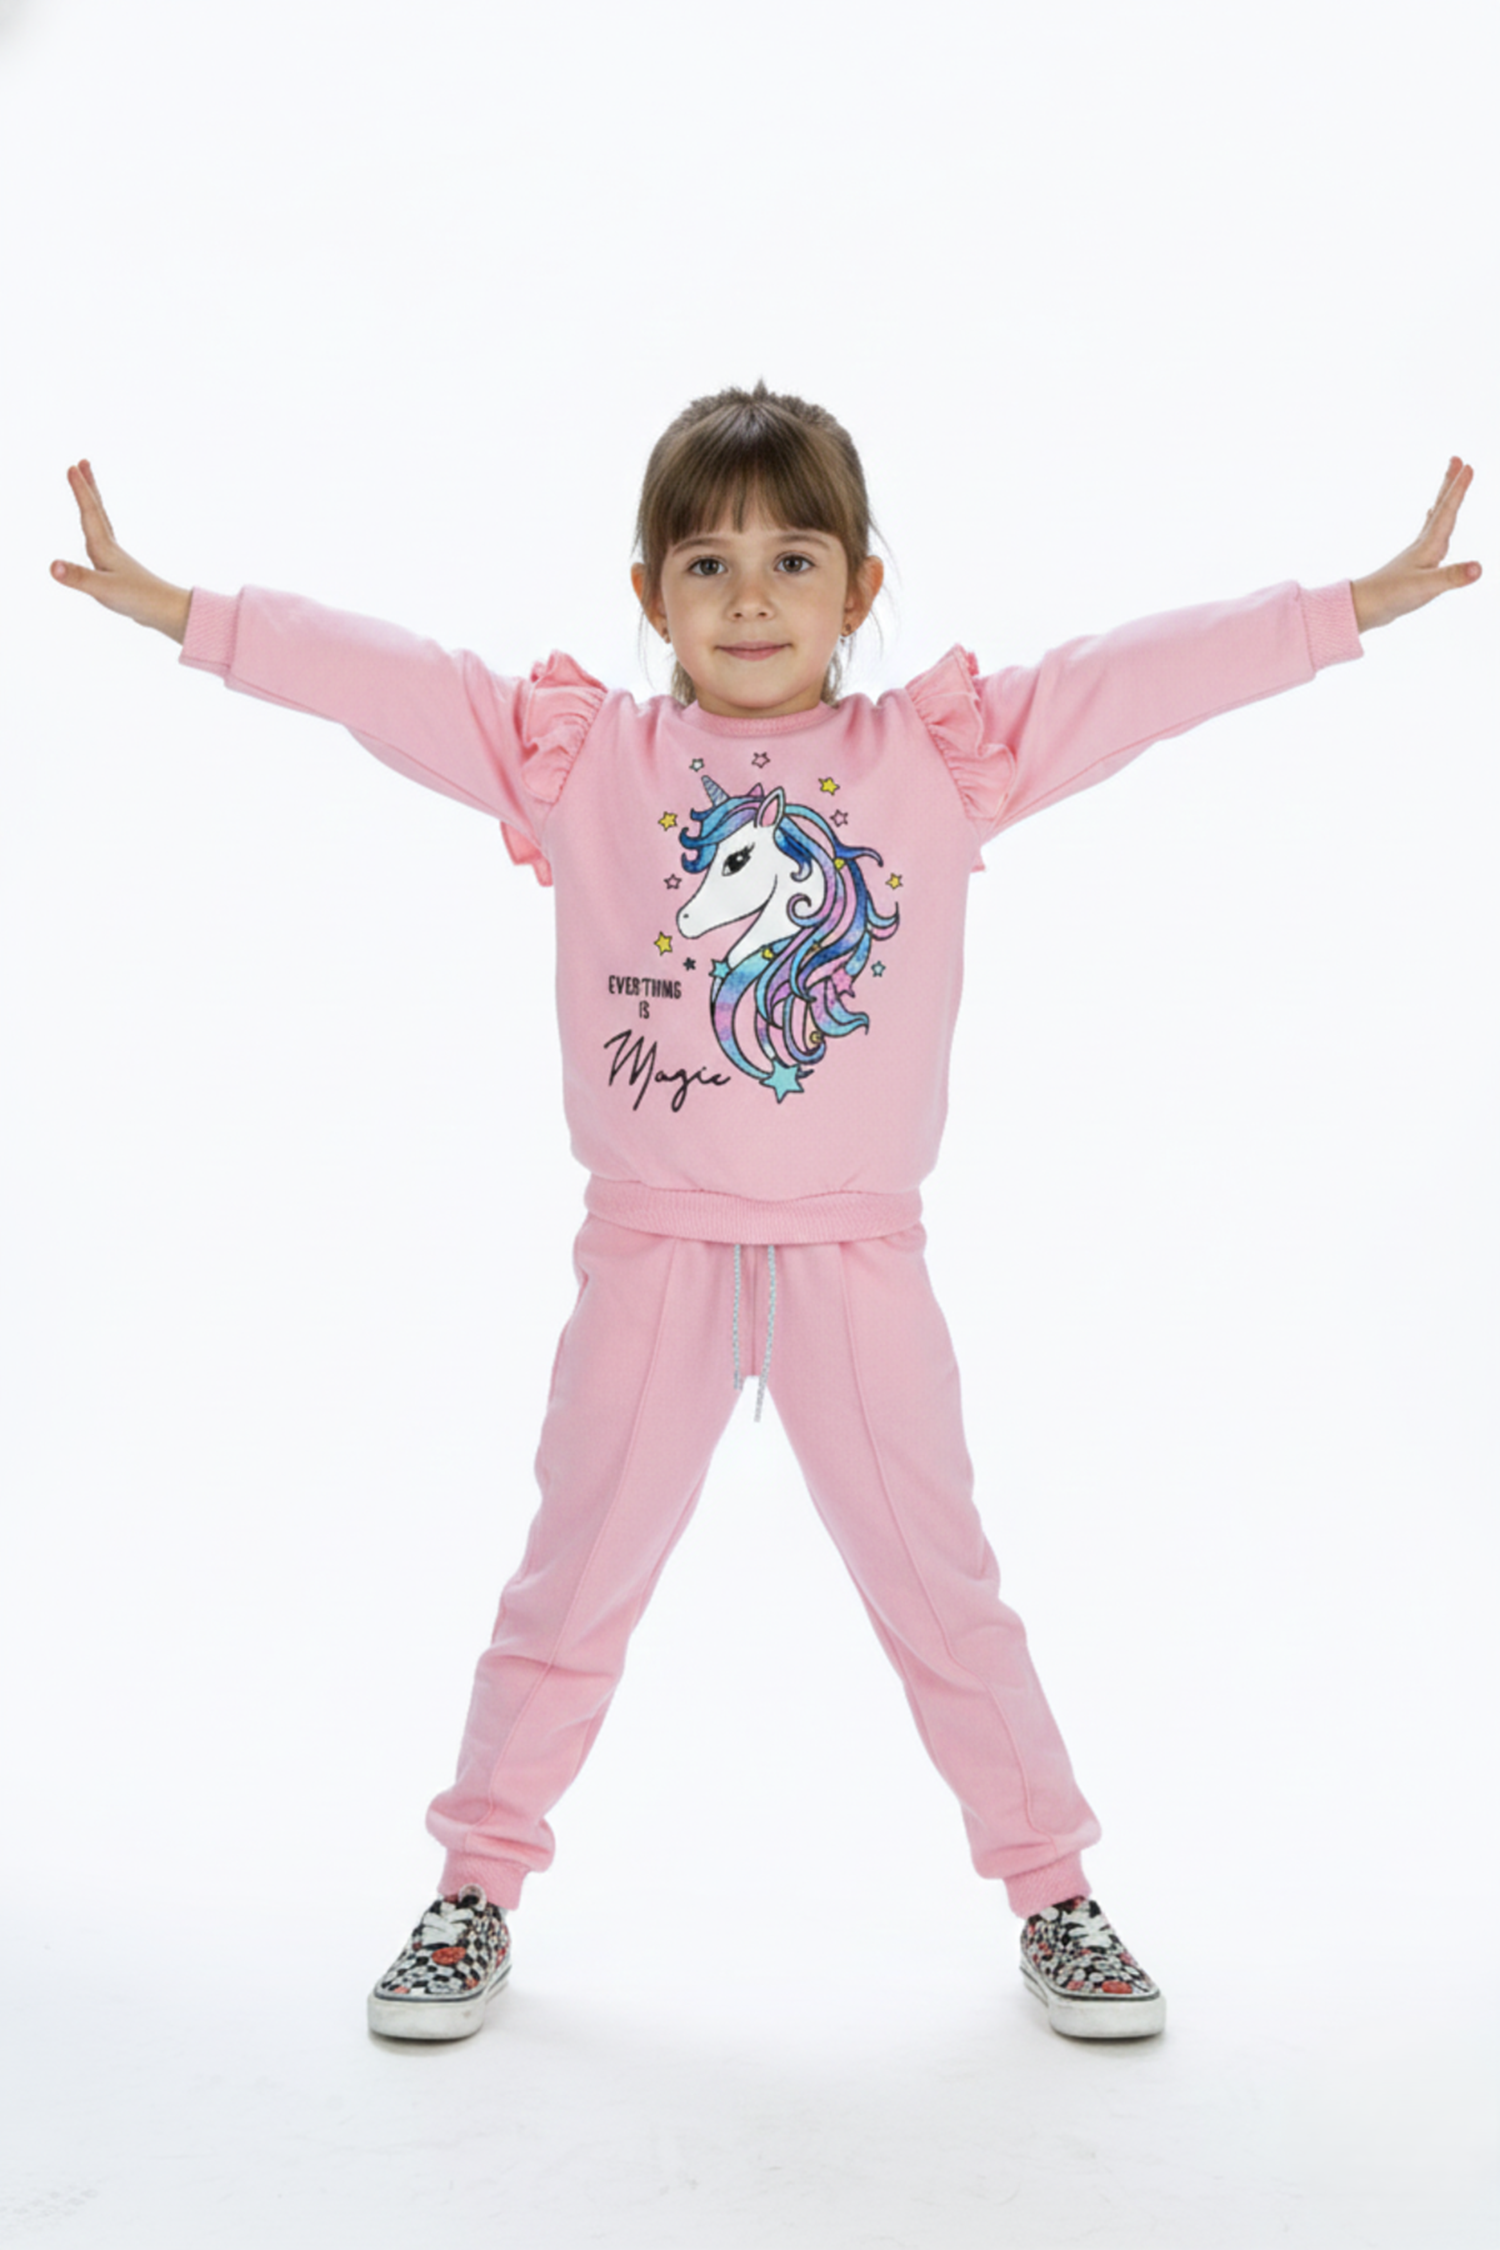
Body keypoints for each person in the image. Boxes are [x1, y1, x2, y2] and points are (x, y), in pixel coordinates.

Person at [52, 385, 1480, 2046]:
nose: (749, 598)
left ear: (859, 588)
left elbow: (1135, 680)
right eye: (708, 562)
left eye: (792, 559)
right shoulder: (583, 756)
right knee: (569, 1585)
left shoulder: (938, 757)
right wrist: (189, 613)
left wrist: (1344, 608)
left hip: (857, 1264)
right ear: (648, 591)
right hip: (649, 1258)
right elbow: (388, 678)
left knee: (944, 1592)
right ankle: (475, 1885)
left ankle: (1053, 1890)